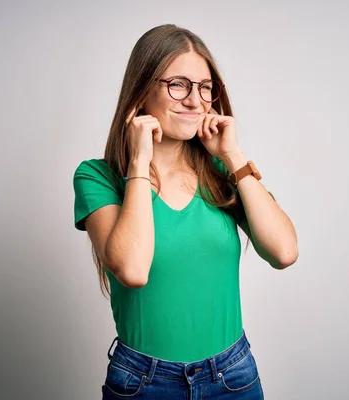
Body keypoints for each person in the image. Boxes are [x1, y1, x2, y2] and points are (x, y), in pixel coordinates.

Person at [73, 24, 298, 399]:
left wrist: (233, 156)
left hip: (232, 377)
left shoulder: (222, 172)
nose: (196, 101)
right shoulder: (97, 176)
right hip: (144, 383)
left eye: (205, 87)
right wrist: (140, 162)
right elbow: (132, 269)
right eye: (178, 84)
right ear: (142, 89)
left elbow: (284, 252)